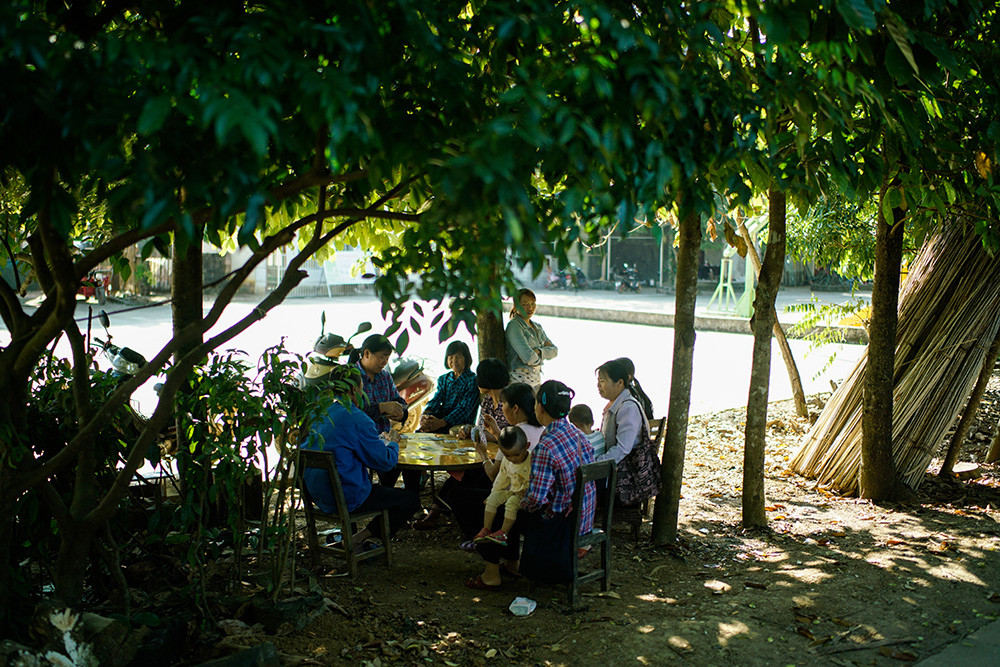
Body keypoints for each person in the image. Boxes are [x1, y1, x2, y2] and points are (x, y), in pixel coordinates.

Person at [466, 380, 595, 591]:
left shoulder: (547, 445)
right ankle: (510, 563)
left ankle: (492, 573)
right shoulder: (579, 435)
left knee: (499, 508)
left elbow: (535, 499)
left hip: (560, 527)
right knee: (509, 504)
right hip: (582, 520)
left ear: (540, 407)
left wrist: (514, 500)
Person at [300, 364, 420, 549]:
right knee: (410, 499)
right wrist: (393, 442)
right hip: (347, 496)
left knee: (380, 490)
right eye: (362, 388)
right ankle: (358, 538)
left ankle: (353, 537)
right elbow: (385, 463)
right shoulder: (357, 417)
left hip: (318, 494)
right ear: (354, 389)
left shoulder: (319, 413)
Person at [411, 359, 511, 530]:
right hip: (488, 453)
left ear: (487, 378)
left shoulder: (509, 402)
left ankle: (459, 521)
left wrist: (486, 434)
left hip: (504, 459)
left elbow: (509, 435)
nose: (477, 381)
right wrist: (469, 431)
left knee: (466, 478)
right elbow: (481, 428)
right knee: (461, 476)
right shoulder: (487, 401)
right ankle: (434, 514)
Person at [449, 382, 545, 545]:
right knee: (475, 481)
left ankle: (479, 541)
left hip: (518, 498)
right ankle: (509, 560)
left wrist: (482, 453)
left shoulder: (516, 433)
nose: (502, 409)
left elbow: (493, 475)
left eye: (504, 404)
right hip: (536, 495)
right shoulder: (540, 428)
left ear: (514, 408)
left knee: (456, 493)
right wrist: (497, 432)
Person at [595, 359, 660, 507]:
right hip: (615, 470)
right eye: (598, 381)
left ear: (620, 383)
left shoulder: (627, 408)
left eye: (603, 381)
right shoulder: (614, 404)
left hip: (625, 480)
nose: (598, 385)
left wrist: (596, 464)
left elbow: (622, 449)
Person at [472, 426, 531, 547]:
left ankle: (503, 532)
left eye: (516, 455)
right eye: (508, 456)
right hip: (513, 491)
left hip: (526, 495)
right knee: (493, 499)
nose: (513, 459)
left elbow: (538, 482)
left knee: (511, 503)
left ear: (527, 446)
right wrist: (493, 493)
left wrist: (528, 494)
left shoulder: (532, 461)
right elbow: (501, 479)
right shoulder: (506, 460)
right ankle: (486, 528)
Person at [349, 334, 408, 434]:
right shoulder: (350, 375)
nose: (384, 362)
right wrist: (380, 408)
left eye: (387, 358)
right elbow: (349, 410)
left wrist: (402, 413)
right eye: (381, 357)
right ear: (367, 353)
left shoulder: (385, 376)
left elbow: (397, 399)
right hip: (358, 438)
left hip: (382, 438)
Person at [419, 341, 479, 433]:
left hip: (460, 426)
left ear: (466, 359)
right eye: (451, 357)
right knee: (423, 430)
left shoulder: (472, 380)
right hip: (441, 421)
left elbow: (464, 410)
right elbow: (436, 399)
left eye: (458, 357)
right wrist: (426, 414)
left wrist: (441, 422)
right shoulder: (444, 379)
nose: (454, 360)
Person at [505, 288, 557, 387]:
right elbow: (528, 357)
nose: (530, 307)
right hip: (518, 383)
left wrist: (538, 352)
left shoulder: (537, 327)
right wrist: (544, 353)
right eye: (525, 304)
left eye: (532, 303)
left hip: (536, 381)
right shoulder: (514, 326)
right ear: (516, 306)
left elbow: (554, 351)